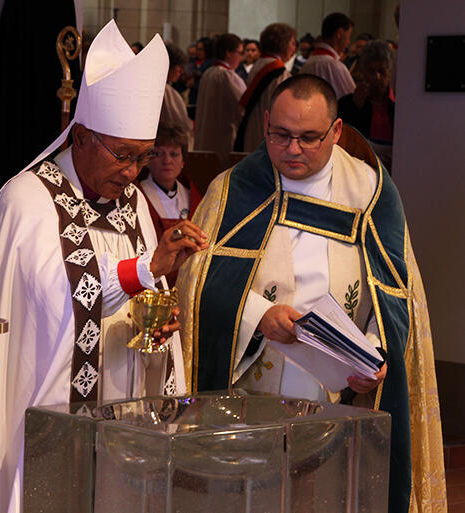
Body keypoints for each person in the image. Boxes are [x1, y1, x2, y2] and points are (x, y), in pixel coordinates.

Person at [0, 20, 208, 513]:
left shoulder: (133, 201)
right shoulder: (28, 198)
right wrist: (144, 269)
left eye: (143, 157)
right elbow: (55, 297)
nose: (133, 172)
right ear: (84, 137)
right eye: (124, 156)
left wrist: (160, 334)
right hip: (48, 413)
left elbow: (142, 295)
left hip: (124, 423)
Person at [176, 74, 445, 513]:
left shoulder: (371, 194)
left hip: (337, 405)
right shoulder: (233, 189)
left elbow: (397, 292)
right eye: (280, 135)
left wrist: (373, 357)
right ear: (265, 124)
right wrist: (258, 316)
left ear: (336, 132)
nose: (293, 149)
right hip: (250, 398)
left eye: (308, 138)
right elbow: (196, 281)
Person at [138, 124, 201, 286]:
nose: (167, 161)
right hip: (155, 280)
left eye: (174, 154)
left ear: (183, 161)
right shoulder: (139, 195)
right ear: (148, 160)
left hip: (189, 279)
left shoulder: (192, 195)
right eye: (159, 154)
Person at [235, 22, 297, 152]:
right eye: (292, 43)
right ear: (283, 44)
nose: (294, 49)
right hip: (268, 138)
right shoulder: (279, 72)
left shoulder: (259, 65)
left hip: (252, 132)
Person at [338, 40, 395, 171]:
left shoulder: (398, 106)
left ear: (390, 72)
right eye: (371, 71)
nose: (377, 77)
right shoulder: (347, 104)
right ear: (362, 72)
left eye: (382, 71)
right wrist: (355, 107)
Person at [194, 33, 247, 167]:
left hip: (205, 138)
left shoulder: (208, 73)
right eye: (239, 53)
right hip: (223, 140)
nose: (241, 58)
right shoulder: (227, 76)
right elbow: (242, 107)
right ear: (228, 53)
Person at [299, 12, 356, 99]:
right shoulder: (334, 66)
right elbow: (350, 100)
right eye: (348, 36)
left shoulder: (308, 64)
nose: (349, 42)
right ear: (339, 34)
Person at [160, 42, 193, 149]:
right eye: (179, 67)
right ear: (169, 66)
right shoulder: (166, 91)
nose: (181, 71)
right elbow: (182, 124)